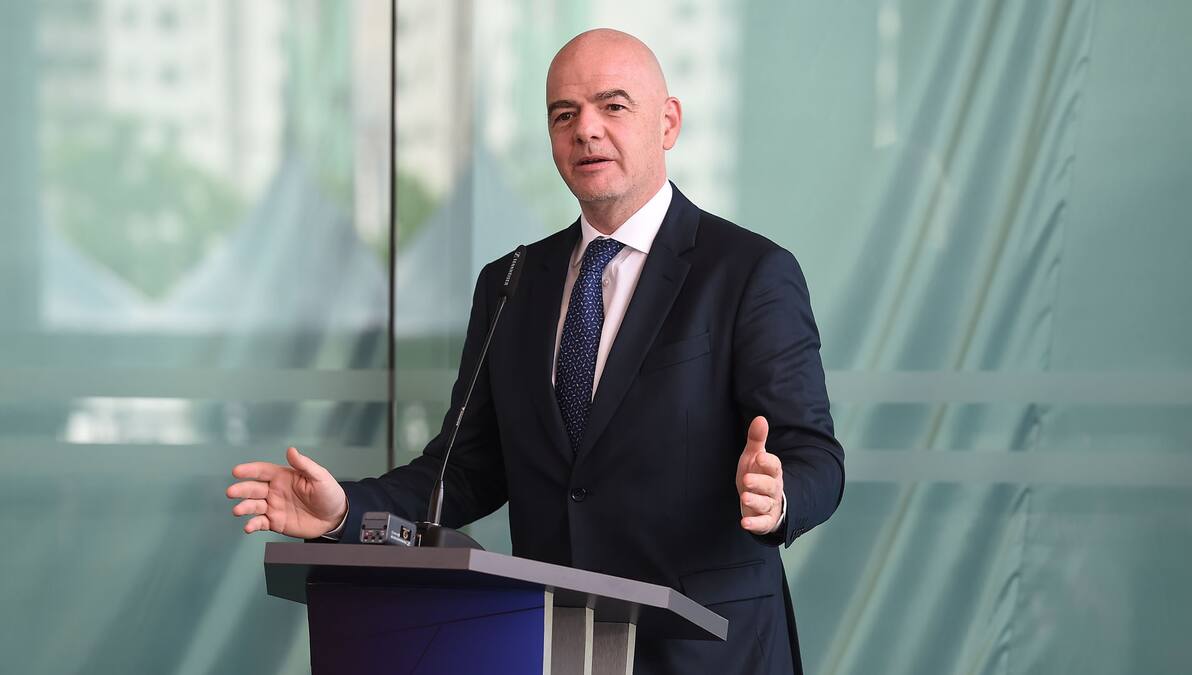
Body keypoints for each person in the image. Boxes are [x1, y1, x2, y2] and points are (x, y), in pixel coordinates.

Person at [227, 28, 844, 674]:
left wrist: (777, 498)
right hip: (553, 646)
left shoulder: (748, 272)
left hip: (711, 652)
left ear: (668, 123)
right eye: (563, 114)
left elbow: (815, 455)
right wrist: (344, 513)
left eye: (613, 106)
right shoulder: (511, 283)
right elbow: (462, 470)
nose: (586, 130)